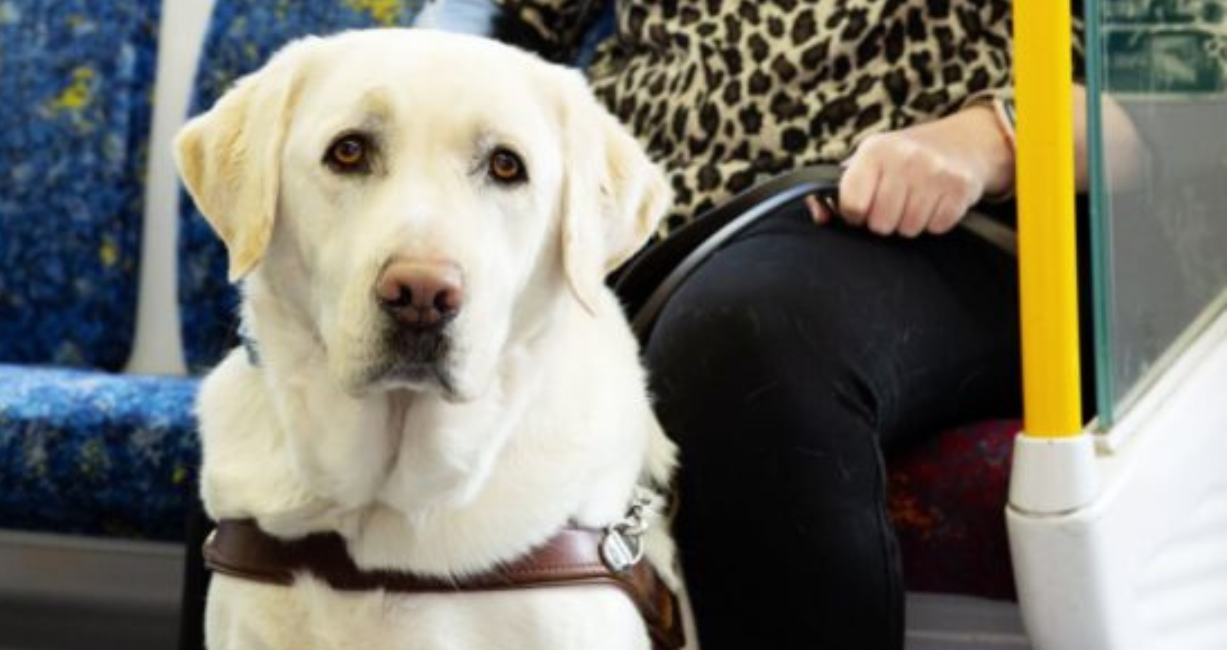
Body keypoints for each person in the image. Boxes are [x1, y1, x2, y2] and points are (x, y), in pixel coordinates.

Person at [418, 2, 1145, 649]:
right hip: (633, 223)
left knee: (748, 348)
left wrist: (985, 140)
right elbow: (478, 36)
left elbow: (1175, 100)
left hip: (944, 217)